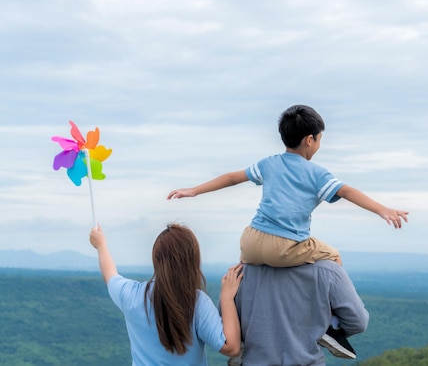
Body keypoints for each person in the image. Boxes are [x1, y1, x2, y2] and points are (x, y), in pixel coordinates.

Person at [167, 104, 408, 358]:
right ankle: (331, 327)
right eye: (320, 139)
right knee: (334, 257)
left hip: (250, 242)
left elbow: (232, 177)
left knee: (248, 280)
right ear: (309, 140)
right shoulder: (316, 173)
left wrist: (193, 190)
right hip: (284, 246)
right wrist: (382, 209)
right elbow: (346, 191)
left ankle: (243, 350)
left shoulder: (269, 163)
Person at [89, 222, 243, 365]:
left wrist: (101, 245)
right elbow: (231, 348)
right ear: (192, 260)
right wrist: (227, 297)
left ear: (155, 259)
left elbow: (109, 273)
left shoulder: (131, 295)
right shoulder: (197, 302)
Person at [231, 260, 369, 366]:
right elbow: (358, 322)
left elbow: (227, 330)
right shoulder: (328, 269)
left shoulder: (240, 272)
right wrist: (323, 329)